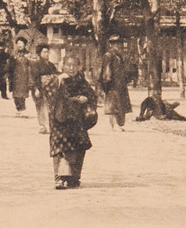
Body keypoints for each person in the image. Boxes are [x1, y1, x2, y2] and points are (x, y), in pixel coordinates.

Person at [47, 56, 95, 189]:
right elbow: (50, 96)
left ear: (79, 67)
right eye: (69, 65)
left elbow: (92, 95)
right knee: (60, 148)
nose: (72, 68)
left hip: (76, 120)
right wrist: (58, 82)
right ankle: (59, 178)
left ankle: (74, 177)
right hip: (60, 119)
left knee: (79, 146)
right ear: (63, 66)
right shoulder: (57, 79)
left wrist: (85, 98)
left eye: (74, 66)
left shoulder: (81, 81)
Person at [99, 35, 133, 131]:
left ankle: (118, 124)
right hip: (112, 84)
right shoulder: (108, 55)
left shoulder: (118, 56)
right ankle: (114, 125)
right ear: (110, 44)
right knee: (113, 106)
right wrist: (107, 82)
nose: (118, 45)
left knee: (120, 104)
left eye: (119, 43)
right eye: (115, 43)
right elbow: (106, 70)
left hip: (120, 83)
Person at [33, 44, 58, 133]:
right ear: (40, 53)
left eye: (47, 52)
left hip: (50, 89)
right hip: (40, 87)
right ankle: (42, 125)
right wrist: (37, 88)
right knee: (40, 106)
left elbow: (56, 74)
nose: (46, 54)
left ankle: (50, 125)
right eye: (44, 52)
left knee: (50, 107)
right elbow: (35, 77)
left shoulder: (51, 65)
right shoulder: (36, 64)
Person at [8, 38, 34, 118]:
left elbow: (32, 65)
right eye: (18, 43)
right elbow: (10, 66)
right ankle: (19, 109)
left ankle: (22, 109)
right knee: (16, 94)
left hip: (25, 76)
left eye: (21, 43)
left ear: (25, 44)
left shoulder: (28, 54)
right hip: (15, 76)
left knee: (23, 94)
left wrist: (29, 59)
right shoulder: (14, 54)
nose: (19, 45)